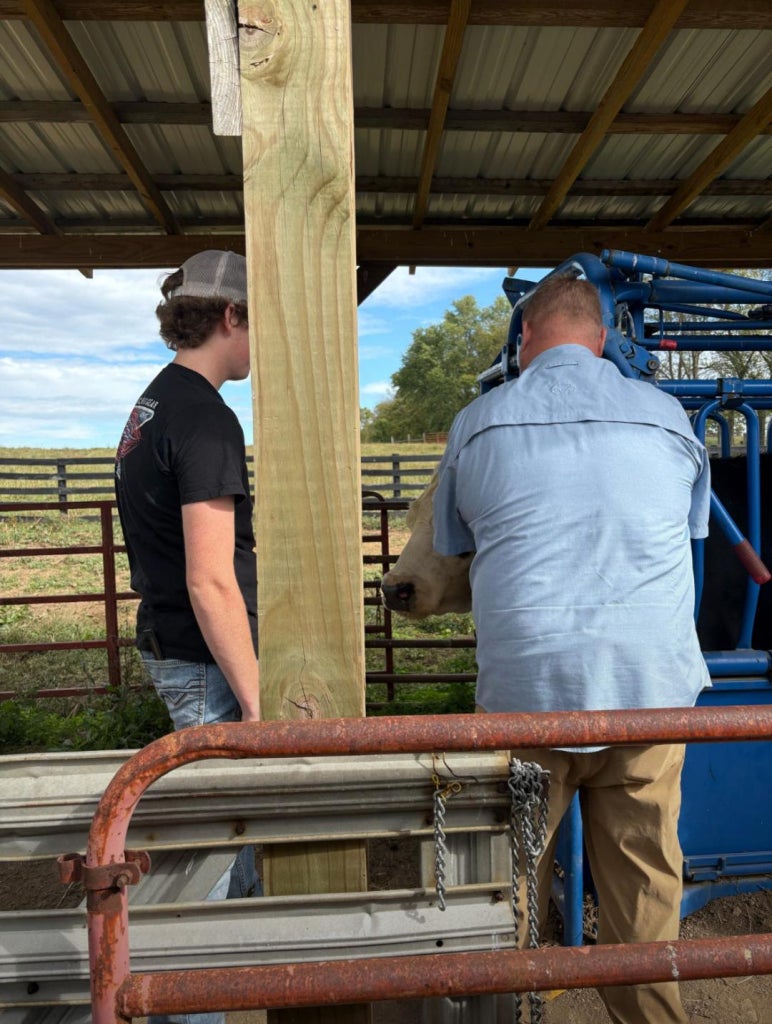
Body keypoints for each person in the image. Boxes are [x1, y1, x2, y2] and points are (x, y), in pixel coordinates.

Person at [432, 274, 711, 1024]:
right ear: (602, 341)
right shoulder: (668, 415)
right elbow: (684, 540)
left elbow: (453, 548)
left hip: (530, 701)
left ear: (524, 342)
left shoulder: (479, 421)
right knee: (648, 884)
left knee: (508, 881)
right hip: (648, 696)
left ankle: (505, 1011)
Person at [115, 249, 260, 1024]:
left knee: (231, 839)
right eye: (255, 323)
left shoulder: (150, 407)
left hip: (172, 643)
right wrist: (258, 698)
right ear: (230, 317)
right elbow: (210, 580)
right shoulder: (205, 416)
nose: (256, 344)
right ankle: (190, 1006)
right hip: (205, 662)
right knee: (208, 856)